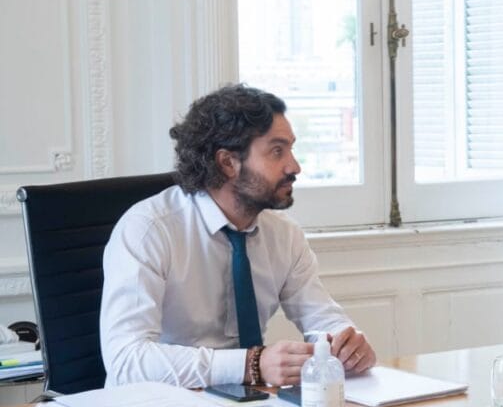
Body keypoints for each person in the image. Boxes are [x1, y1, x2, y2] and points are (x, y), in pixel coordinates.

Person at [101, 84, 376, 388]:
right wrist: (250, 365)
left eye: (291, 149)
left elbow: (322, 319)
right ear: (228, 162)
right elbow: (125, 360)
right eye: (277, 151)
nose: (294, 166)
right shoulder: (149, 230)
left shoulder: (284, 234)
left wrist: (347, 343)